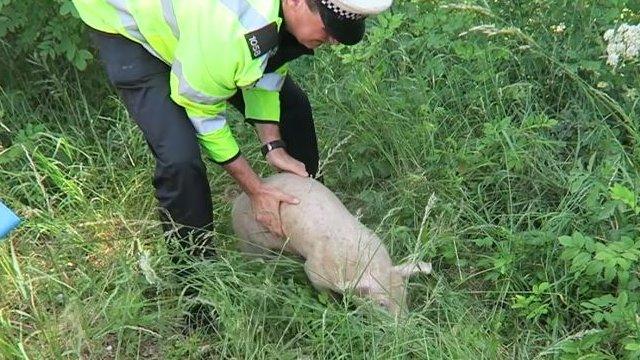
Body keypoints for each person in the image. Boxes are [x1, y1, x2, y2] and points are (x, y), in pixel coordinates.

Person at [71, 0, 392, 257]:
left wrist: (273, 145)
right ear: (294, 3)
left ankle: (313, 218)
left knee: (293, 106)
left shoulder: (269, 22)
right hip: (129, 27)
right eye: (329, 29)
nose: (333, 41)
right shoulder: (229, 35)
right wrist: (256, 190)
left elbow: (267, 67)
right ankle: (196, 287)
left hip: (204, 34)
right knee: (180, 159)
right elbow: (204, 118)